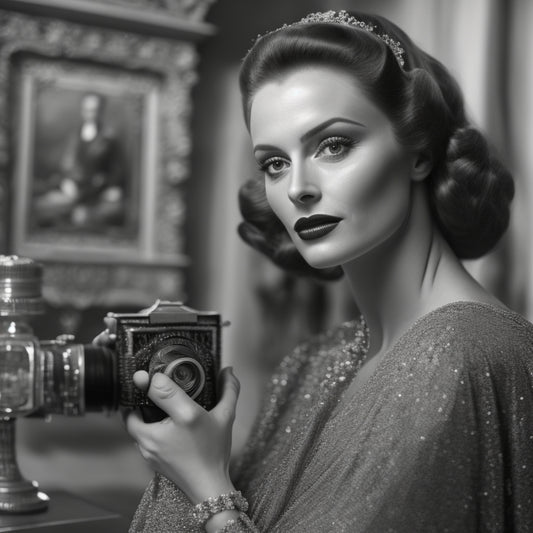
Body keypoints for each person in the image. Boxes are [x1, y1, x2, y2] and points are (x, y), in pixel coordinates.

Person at [97, 10, 533, 532]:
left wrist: (208, 489)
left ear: (418, 151)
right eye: (274, 163)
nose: (297, 187)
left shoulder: (470, 357)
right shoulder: (311, 363)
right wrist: (184, 433)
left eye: (334, 145)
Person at [34, 92, 126, 230]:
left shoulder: (109, 138)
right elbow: (65, 164)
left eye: (94, 110)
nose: (90, 113)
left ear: (101, 111)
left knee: (112, 211)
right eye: (87, 109)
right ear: (82, 110)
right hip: (73, 190)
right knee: (41, 207)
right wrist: (66, 182)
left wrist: (112, 187)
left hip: (97, 192)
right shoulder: (74, 136)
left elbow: (116, 169)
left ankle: (82, 215)